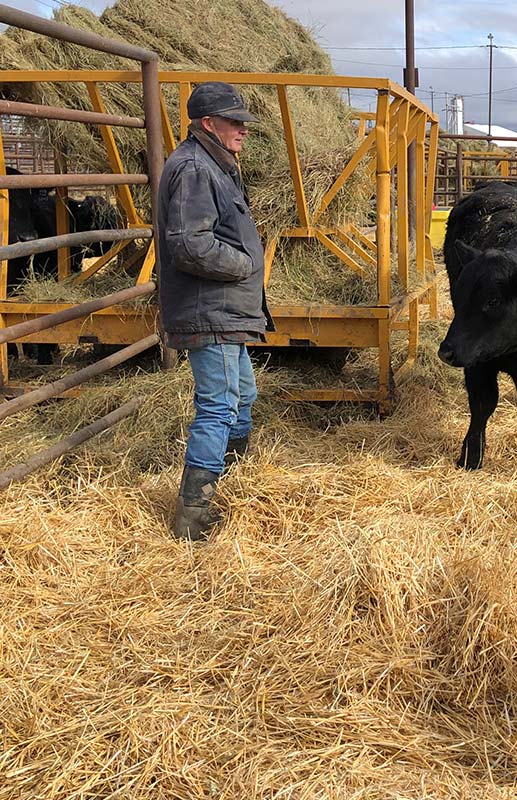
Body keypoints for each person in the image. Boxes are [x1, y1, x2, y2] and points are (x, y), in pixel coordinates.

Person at [158, 81, 272, 541]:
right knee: (219, 407)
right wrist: (244, 264)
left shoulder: (214, 163)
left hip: (225, 311)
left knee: (242, 398)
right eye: (235, 121)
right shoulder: (194, 168)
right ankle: (194, 517)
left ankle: (232, 484)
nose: (243, 130)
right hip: (211, 312)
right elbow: (189, 244)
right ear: (208, 123)